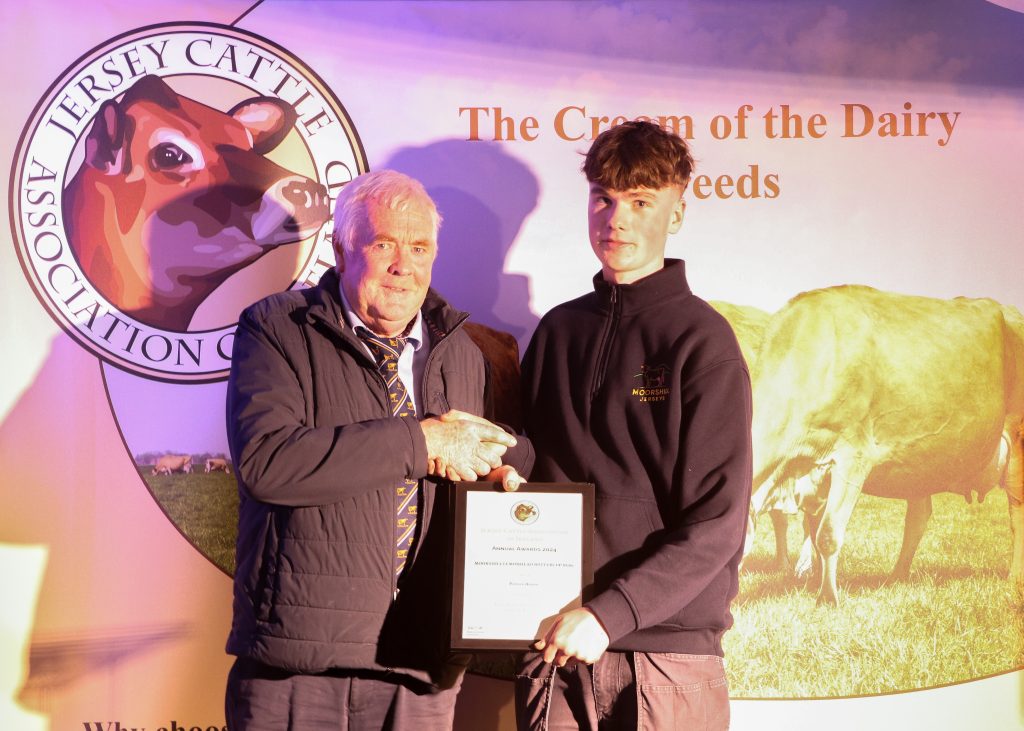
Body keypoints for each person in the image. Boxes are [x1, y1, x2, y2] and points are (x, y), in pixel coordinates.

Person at [224, 169, 532, 730]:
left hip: (417, 665)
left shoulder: (463, 352)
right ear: (342, 250)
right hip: (302, 663)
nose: (403, 265)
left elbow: (493, 450)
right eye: (383, 244)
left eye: (419, 248)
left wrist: (495, 471)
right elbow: (268, 463)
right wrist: (423, 440)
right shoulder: (276, 328)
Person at [516, 121, 752, 730]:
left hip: (665, 656)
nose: (616, 219)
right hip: (555, 643)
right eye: (604, 197)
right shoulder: (557, 332)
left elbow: (718, 524)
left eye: (641, 202)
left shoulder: (703, 341)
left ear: (677, 213)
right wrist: (498, 459)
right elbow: (536, 466)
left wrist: (608, 615)